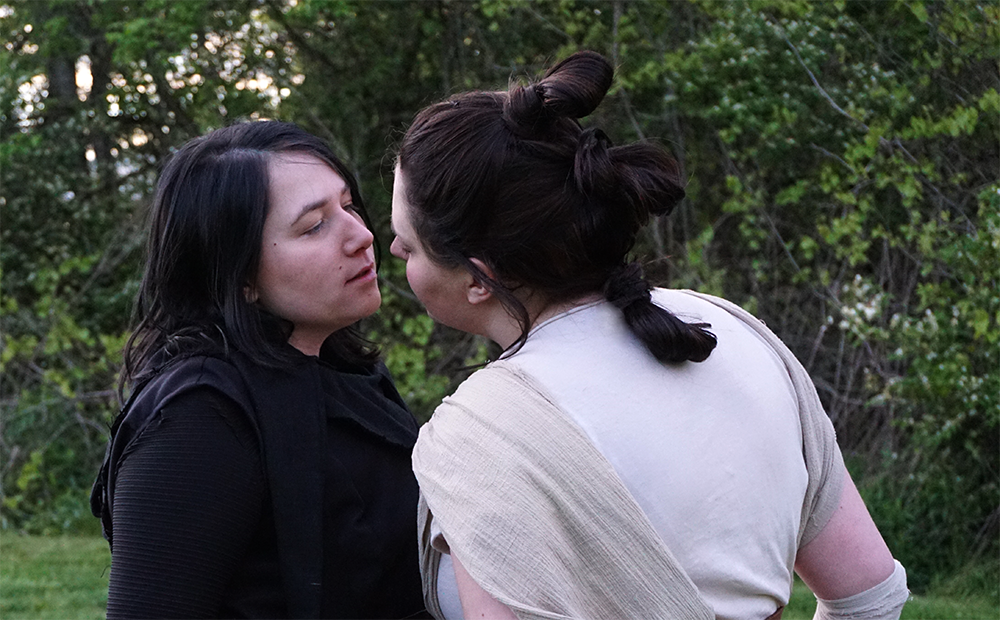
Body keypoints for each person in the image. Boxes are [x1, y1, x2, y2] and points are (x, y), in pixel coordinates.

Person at [388, 51, 909, 620]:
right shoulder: (730, 329)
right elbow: (872, 596)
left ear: (478, 279)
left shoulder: (479, 432)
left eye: (408, 246)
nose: (391, 250)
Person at [90, 121, 431, 620]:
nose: (361, 236)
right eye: (314, 226)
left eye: (348, 206)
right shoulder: (200, 416)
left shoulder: (348, 372)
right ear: (241, 275)